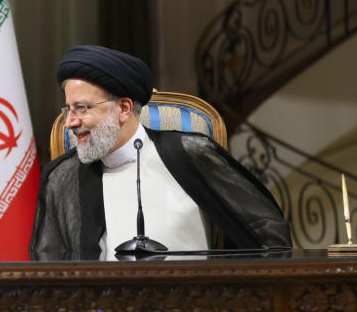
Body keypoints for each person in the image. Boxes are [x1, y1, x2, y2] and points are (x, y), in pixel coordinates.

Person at [30, 45, 290, 259]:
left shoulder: (190, 154)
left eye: (82, 108)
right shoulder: (62, 176)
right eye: (68, 110)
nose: (71, 123)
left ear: (123, 108)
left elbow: (268, 232)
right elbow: (48, 262)